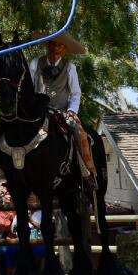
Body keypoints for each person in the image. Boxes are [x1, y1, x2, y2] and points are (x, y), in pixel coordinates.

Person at [30, 30, 97, 189]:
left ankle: (87, 173)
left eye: (59, 45)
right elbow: (29, 89)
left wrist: (72, 111)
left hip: (61, 112)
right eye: (53, 44)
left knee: (77, 130)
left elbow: (75, 93)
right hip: (39, 111)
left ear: (64, 49)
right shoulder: (34, 64)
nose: (55, 48)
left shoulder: (70, 68)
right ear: (48, 45)